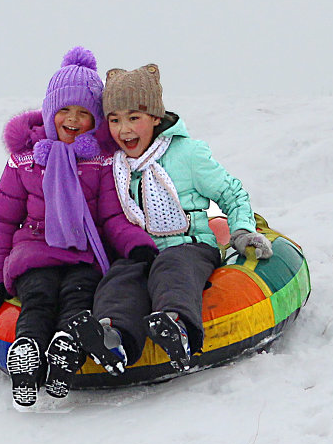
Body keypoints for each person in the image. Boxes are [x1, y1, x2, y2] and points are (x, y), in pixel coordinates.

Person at [63, 62, 274, 373]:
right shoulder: (114, 165)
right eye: (115, 120)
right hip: (139, 249)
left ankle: (175, 326)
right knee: (119, 279)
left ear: (155, 118)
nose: (125, 130)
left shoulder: (187, 154)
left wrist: (241, 231)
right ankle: (113, 338)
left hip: (189, 246)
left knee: (171, 268)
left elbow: (232, 193)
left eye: (135, 118)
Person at [0, 47, 157, 408]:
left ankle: (64, 350)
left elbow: (112, 218)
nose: (73, 120)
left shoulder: (101, 162)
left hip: (84, 256)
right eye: (65, 110)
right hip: (34, 253)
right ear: (49, 112)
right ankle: (27, 352)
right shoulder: (25, 161)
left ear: (95, 119)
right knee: (39, 297)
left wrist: (137, 245)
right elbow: (2, 220)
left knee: (78, 299)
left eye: (84, 113)